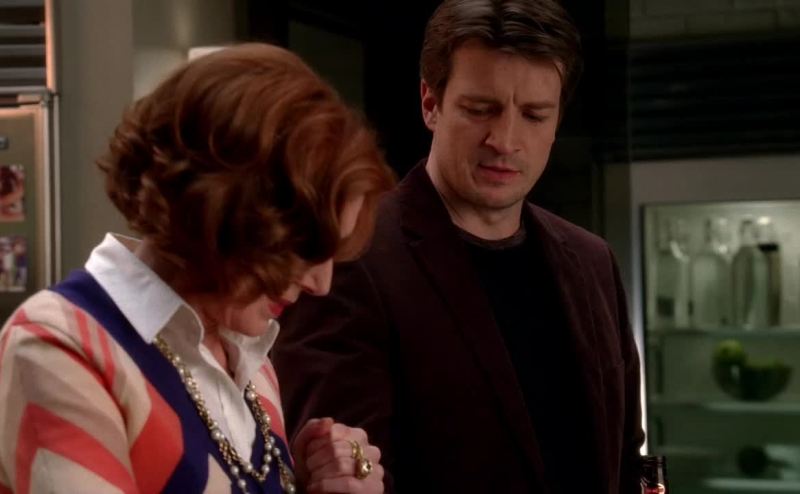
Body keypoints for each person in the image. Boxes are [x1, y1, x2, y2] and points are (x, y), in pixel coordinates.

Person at [272, 1, 645, 493]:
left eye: (534, 115)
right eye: (480, 109)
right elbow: (346, 476)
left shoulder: (592, 260)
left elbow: (625, 457)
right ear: (430, 103)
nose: (505, 140)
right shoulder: (353, 256)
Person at [0, 43, 394, 493]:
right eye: (306, 248)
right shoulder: (58, 345)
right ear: (218, 208)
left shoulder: (247, 353)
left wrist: (306, 483)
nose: (321, 284)